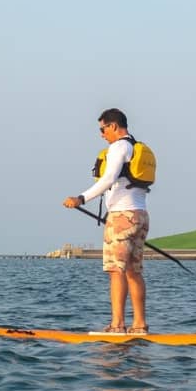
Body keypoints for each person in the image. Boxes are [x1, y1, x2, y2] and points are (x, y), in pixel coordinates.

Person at [63, 108, 150, 334]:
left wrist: (81, 198)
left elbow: (109, 178)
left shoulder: (118, 147)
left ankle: (117, 325)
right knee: (133, 271)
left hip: (122, 216)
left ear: (113, 126)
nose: (102, 134)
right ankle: (139, 325)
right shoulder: (134, 146)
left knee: (116, 271)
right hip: (140, 215)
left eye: (102, 129)